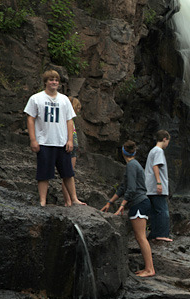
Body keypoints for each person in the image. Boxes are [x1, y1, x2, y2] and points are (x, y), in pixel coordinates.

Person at [24, 70, 85, 206]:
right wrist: (33, 139)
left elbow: (69, 121)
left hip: (62, 142)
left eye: (56, 80)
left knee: (68, 172)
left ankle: (74, 199)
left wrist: (70, 140)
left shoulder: (64, 100)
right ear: (45, 82)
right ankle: (43, 200)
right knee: (44, 173)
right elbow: (30, 119)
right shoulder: (36, 98)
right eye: (51, 80)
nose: (54, 82)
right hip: (44, 141)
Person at [100, 141, 155, 277]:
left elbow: (131, 189)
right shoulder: (134, 165)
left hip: (139, 203)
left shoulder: (131, 165)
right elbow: (123, 187)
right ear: (134, 152)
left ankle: (150, 269)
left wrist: (122, 205)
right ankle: (148, 268)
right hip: (141, 202)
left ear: (123, 152)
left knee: (141, 237)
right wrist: (110, 202)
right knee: (140, 237)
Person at [144, 129, 173, 242]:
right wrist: (159, 183)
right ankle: (162, 234)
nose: (167, 144)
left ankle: (154, 234)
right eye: (168, 141)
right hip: (156, 187)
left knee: (155, 212)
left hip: (150, 187)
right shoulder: (158, 151)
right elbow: (156, 166)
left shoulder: (152, 151)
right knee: (163, 211)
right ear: (165, 139)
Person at [62, 97, 82, 206]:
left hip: (74, 148)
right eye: (77, 108)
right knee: (68, 174)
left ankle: (70, 199)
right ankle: (68, 201)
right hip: (69, 148)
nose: (78, 110)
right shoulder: (66, 119)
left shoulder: (72, 120)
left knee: (70, 173)